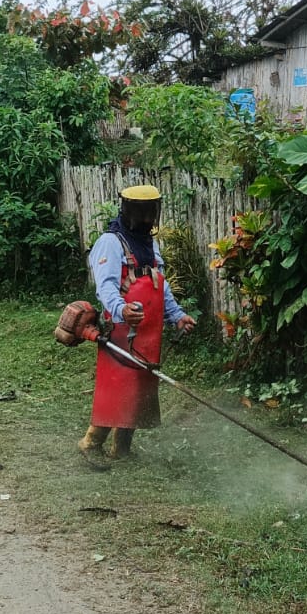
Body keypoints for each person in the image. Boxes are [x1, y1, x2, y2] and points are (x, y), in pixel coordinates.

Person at [79, 185, 195, 460]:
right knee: (118, 388)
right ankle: (90, 444)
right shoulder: (110, 242)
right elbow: (105, 287)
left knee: (138, 389)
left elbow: (160, 285)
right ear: (128, 210)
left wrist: (177, 316)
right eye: (142, 212)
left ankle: (121, 449)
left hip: (148, 332)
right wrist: (121, 309)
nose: (147, 218)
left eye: (151, 211)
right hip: (120, 330)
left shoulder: (149, 244)